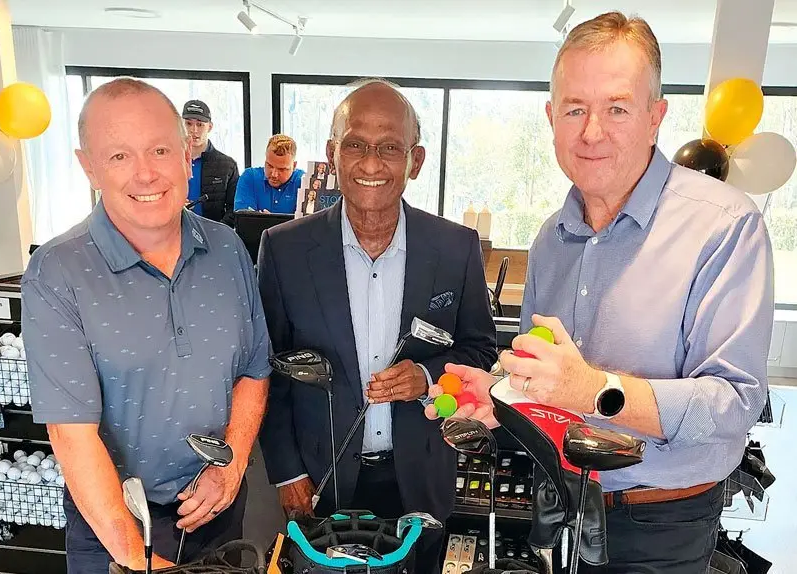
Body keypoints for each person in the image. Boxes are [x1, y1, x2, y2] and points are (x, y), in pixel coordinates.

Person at [426, 12, 774, 574]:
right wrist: (499, 393)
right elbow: (546, 384)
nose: (592, 132)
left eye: (616, 108)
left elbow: (734, 405)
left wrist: (595, 390)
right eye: (574, 109)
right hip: (560, 507)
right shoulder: (551, 238)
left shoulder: (725, 225)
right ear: (551, 117)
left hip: (663, 525)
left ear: (655, 117)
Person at [22, 78, 272, 573]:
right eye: (118, 156)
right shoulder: (57, 272)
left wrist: (232, 463)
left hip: (215, 509)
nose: (145, 174)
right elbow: (71, 434)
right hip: (113, 524)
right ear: (88, 166)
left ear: (186, 155)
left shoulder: (228, 249)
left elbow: (254, 370)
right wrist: (139, 562)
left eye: (160, 149)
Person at [257, 79, 497, 571]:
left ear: (416, 160)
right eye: (356, 146)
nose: (371, 165)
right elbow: (269, 371)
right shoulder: (283, 249)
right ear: (332, 153)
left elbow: (480, 352)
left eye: (390, 148)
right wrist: (285, 473)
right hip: (319, 481)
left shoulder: (455, 249)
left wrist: (428, 378)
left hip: (419, 478)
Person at [182, 100, 240, 225]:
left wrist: (216, 233)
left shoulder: (228, 165)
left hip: (213, 236)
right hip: (174, 235)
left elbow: (234, 209)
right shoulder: (167, 161)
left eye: (200, 124)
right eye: (188, 123)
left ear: (210, 127)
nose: (194, 130)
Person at [234, 135, 304, 214]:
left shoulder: (304, 182)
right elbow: (243, 220)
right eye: (269, 166)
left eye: (281, 169)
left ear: (294, 166)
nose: (274, 174)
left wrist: (267, 220)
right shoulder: (250, 178)